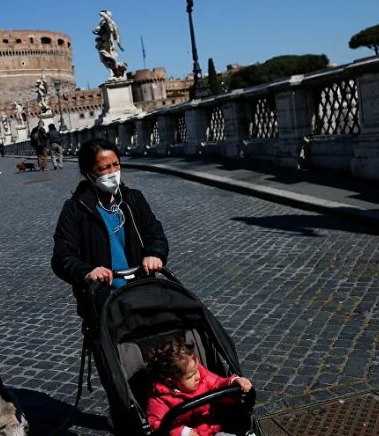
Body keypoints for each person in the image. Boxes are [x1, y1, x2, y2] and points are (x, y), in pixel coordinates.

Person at [51, 138, 169, 428]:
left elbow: (156, 234)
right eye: (104, 168)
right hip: (103, 302)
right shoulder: (75, 209)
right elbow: (62, 257)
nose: (112, 172)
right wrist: (87, 271)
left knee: (155, 359)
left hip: (141, 294)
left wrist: (154, 254)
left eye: (115, 165)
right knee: (115, 368)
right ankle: (125, 416)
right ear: (89, 174)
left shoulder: (134, 200)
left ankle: (161, 411)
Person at [146, 336, 253, 436]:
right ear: (170, 382)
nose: (197, 376)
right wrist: (183, 432)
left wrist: (234, 381)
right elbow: (156, 423)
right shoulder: (159, 397)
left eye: (196, 370)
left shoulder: (201, 376)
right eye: (190, 376)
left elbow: (218, 383)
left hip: (210, 428)